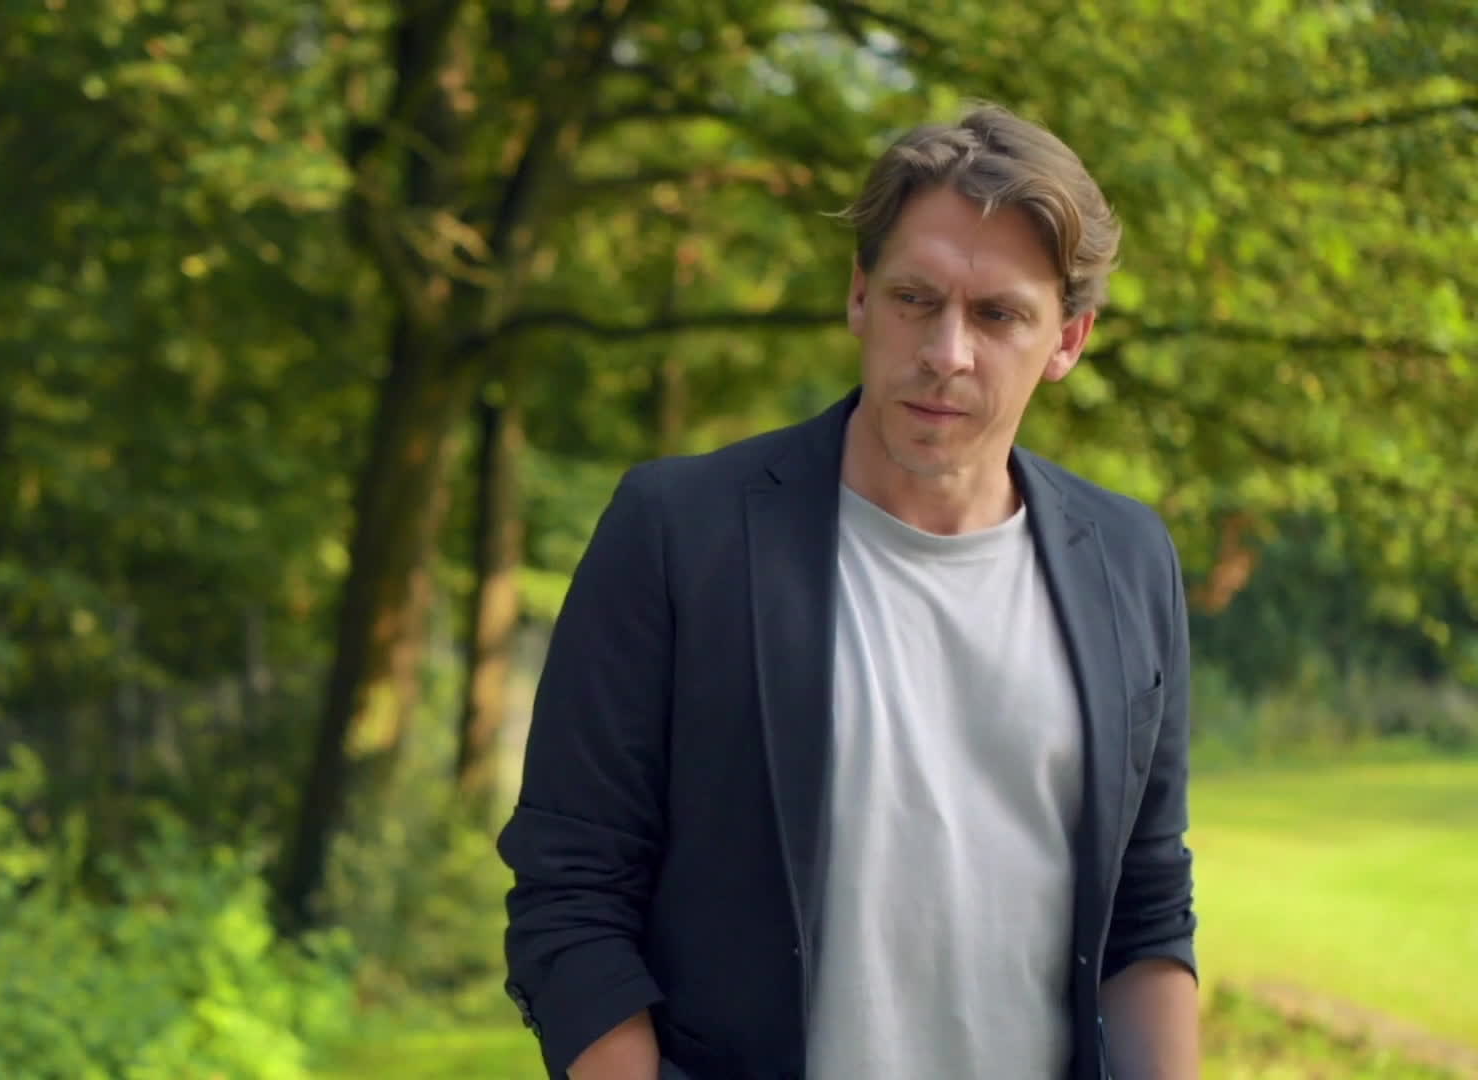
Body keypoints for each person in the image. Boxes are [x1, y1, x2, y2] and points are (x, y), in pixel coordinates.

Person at [496, 104, 1198, 1080]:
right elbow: (570, 892)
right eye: (916, 298)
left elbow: (1146, 907)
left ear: (1069, 339)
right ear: (860, 294)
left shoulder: (1128, 557)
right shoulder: (678, 533)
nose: (946, 352)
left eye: (998, 315)